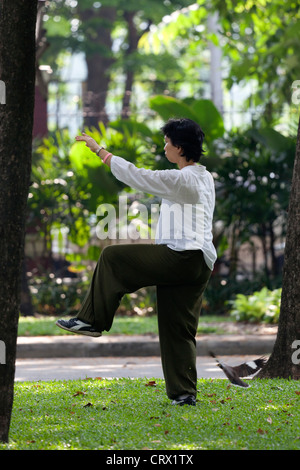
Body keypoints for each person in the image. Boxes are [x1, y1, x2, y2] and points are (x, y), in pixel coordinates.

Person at [56, 118, 217, 406]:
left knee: (112, 257)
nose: (164, 146)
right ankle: (184, 394)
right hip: (200, 263)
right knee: (177, 327)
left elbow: (137, 176)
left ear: (179, 148)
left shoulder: (181, 179)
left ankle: (91, 320)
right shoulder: (204, 177)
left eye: (167, 142)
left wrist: (100, 151)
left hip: (181, 257)